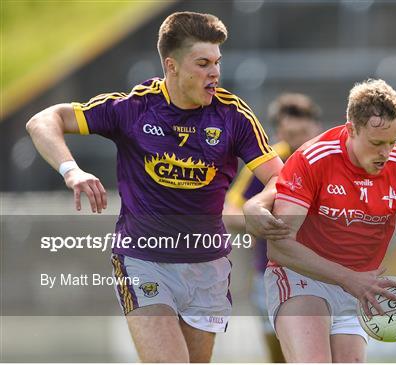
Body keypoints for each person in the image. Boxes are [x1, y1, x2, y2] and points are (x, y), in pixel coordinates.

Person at [26, 11, 288, 363]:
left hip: (207, 266)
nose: (214, 73)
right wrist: (71, 170)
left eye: (217, 62)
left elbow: (281, 177)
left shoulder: (233, 115)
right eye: (203, 63)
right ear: (172, 65)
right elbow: (42, 120)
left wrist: (258, 203)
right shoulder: (134, 108)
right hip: (143, 260)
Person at [265, 79, 396, 362]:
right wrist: (348, 278)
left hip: (359, 290)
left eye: (393, 142)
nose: (386, 153)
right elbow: (280, 247)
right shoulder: (312, 159)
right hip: (301, 278)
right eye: (376, 143)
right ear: (351, 130)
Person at [224, 93, 322, 362]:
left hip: (325, 274)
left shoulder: (333, 160)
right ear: (279, 132)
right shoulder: (268, 164)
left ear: (316, 128)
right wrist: (262, 224)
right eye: (290, 134)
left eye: (303, 132)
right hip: (272, 275)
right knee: (280, 356)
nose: (298, 140)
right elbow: (229, 212)